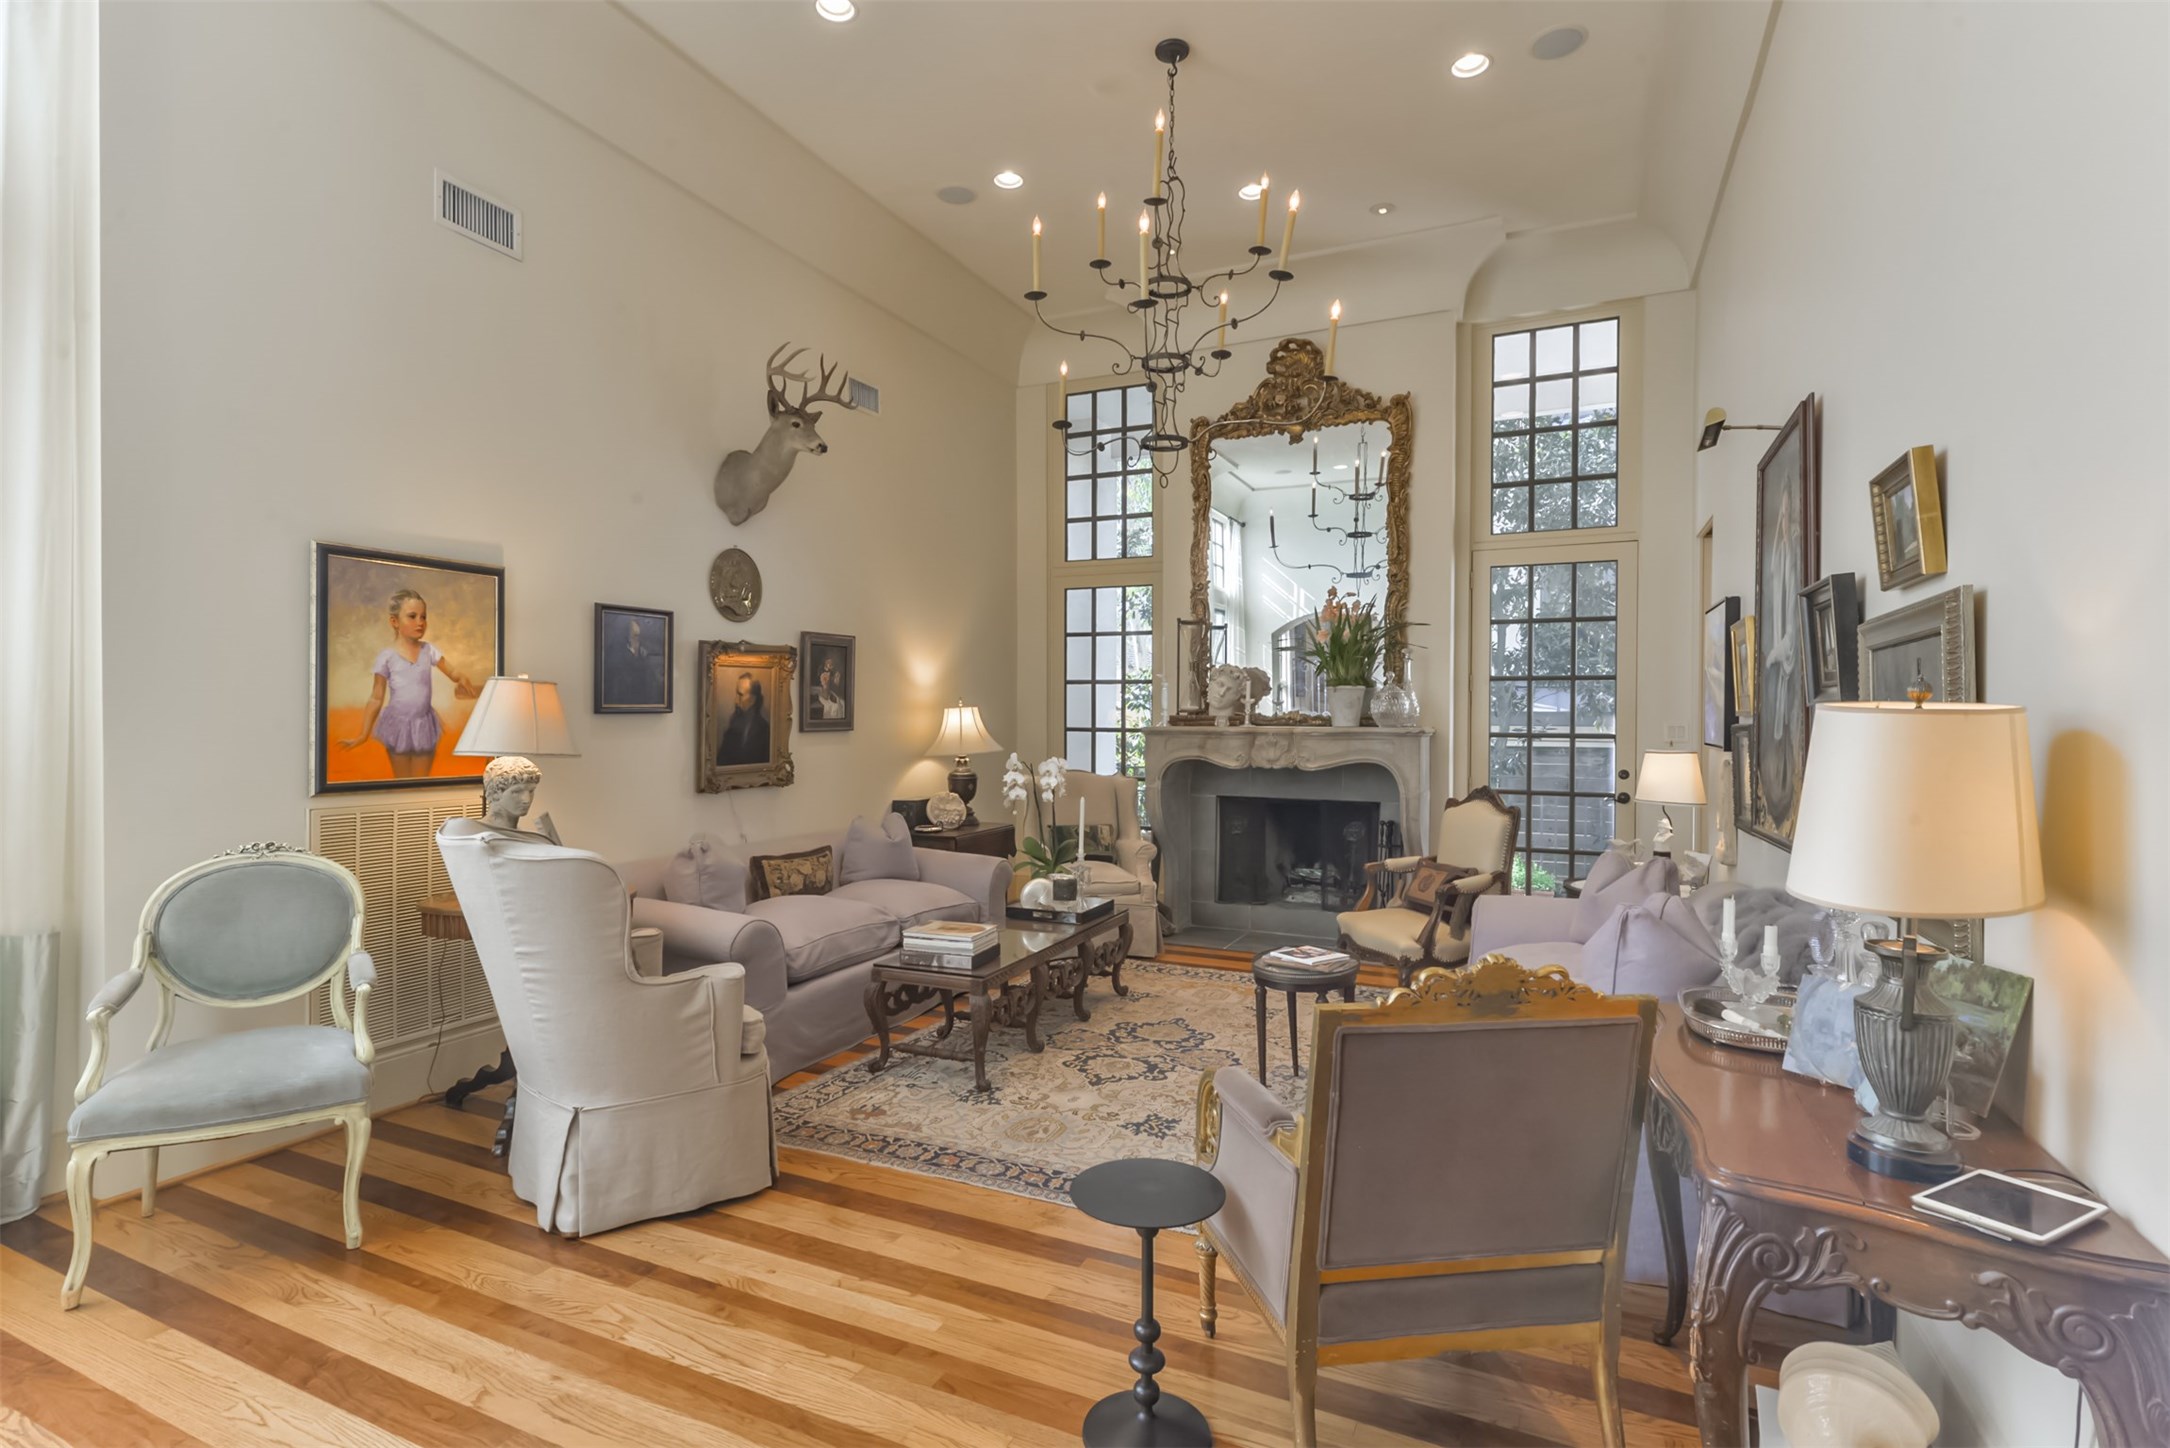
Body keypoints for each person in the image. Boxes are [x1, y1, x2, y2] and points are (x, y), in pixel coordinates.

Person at [339, 588, 483, 778]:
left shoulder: (428, 650)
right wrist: (363, 734)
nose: (420, 622)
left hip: (424, 725)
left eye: (423, 617)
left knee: (421, 782)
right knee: (402, 782)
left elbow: (452, 671)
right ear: (394, 621)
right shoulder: (387, 657)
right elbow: (376, 697)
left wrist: (461, 677)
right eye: (412, 616)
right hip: (397, 726)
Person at [604, 615, 666, 707]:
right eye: (635, 637)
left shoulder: (646, 658)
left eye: (638, 638)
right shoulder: (616, 660)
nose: (637, 642)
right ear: (626, 639)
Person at [716, 672, 770, 766]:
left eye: (740, 695)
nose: (736, 701)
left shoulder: (765, 730)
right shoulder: (732, 728)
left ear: (753, 699)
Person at [811, 654, 847, 721]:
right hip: (824, 690)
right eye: (828, 663)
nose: (830, 664)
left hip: (830, 691)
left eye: (831, 663)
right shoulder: (821, 672)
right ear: (825, 663)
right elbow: (823, 686)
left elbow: (836, 684)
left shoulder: (834, 673)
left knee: (840, 703)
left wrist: (836, 679)